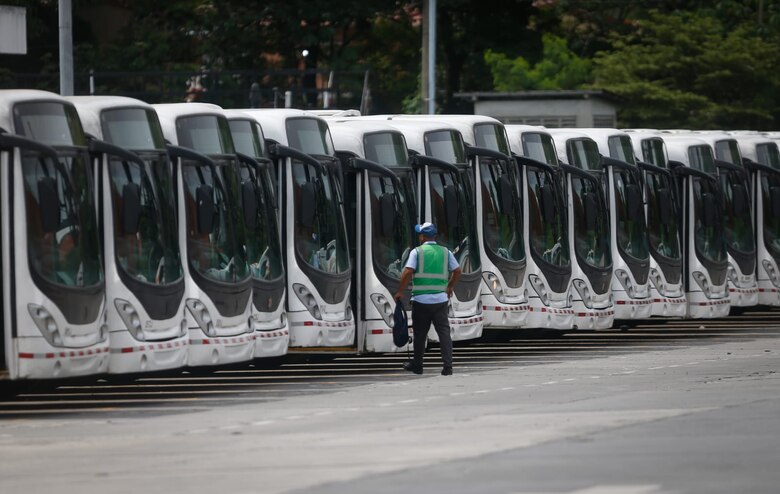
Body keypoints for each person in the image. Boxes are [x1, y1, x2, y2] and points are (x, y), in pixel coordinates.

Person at [394, 222, 461, 376]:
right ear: (434, 236)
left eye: (420, 234)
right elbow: (457, 270)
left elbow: (407, 272)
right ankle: (448, 367)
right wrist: (450, 286)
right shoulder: (446, 252)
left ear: (423, 236)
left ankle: (418, 366)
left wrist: (400, 291)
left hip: (421, 301)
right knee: (444, 333)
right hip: (440, 300)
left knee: (420, 334)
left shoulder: (417, 252)